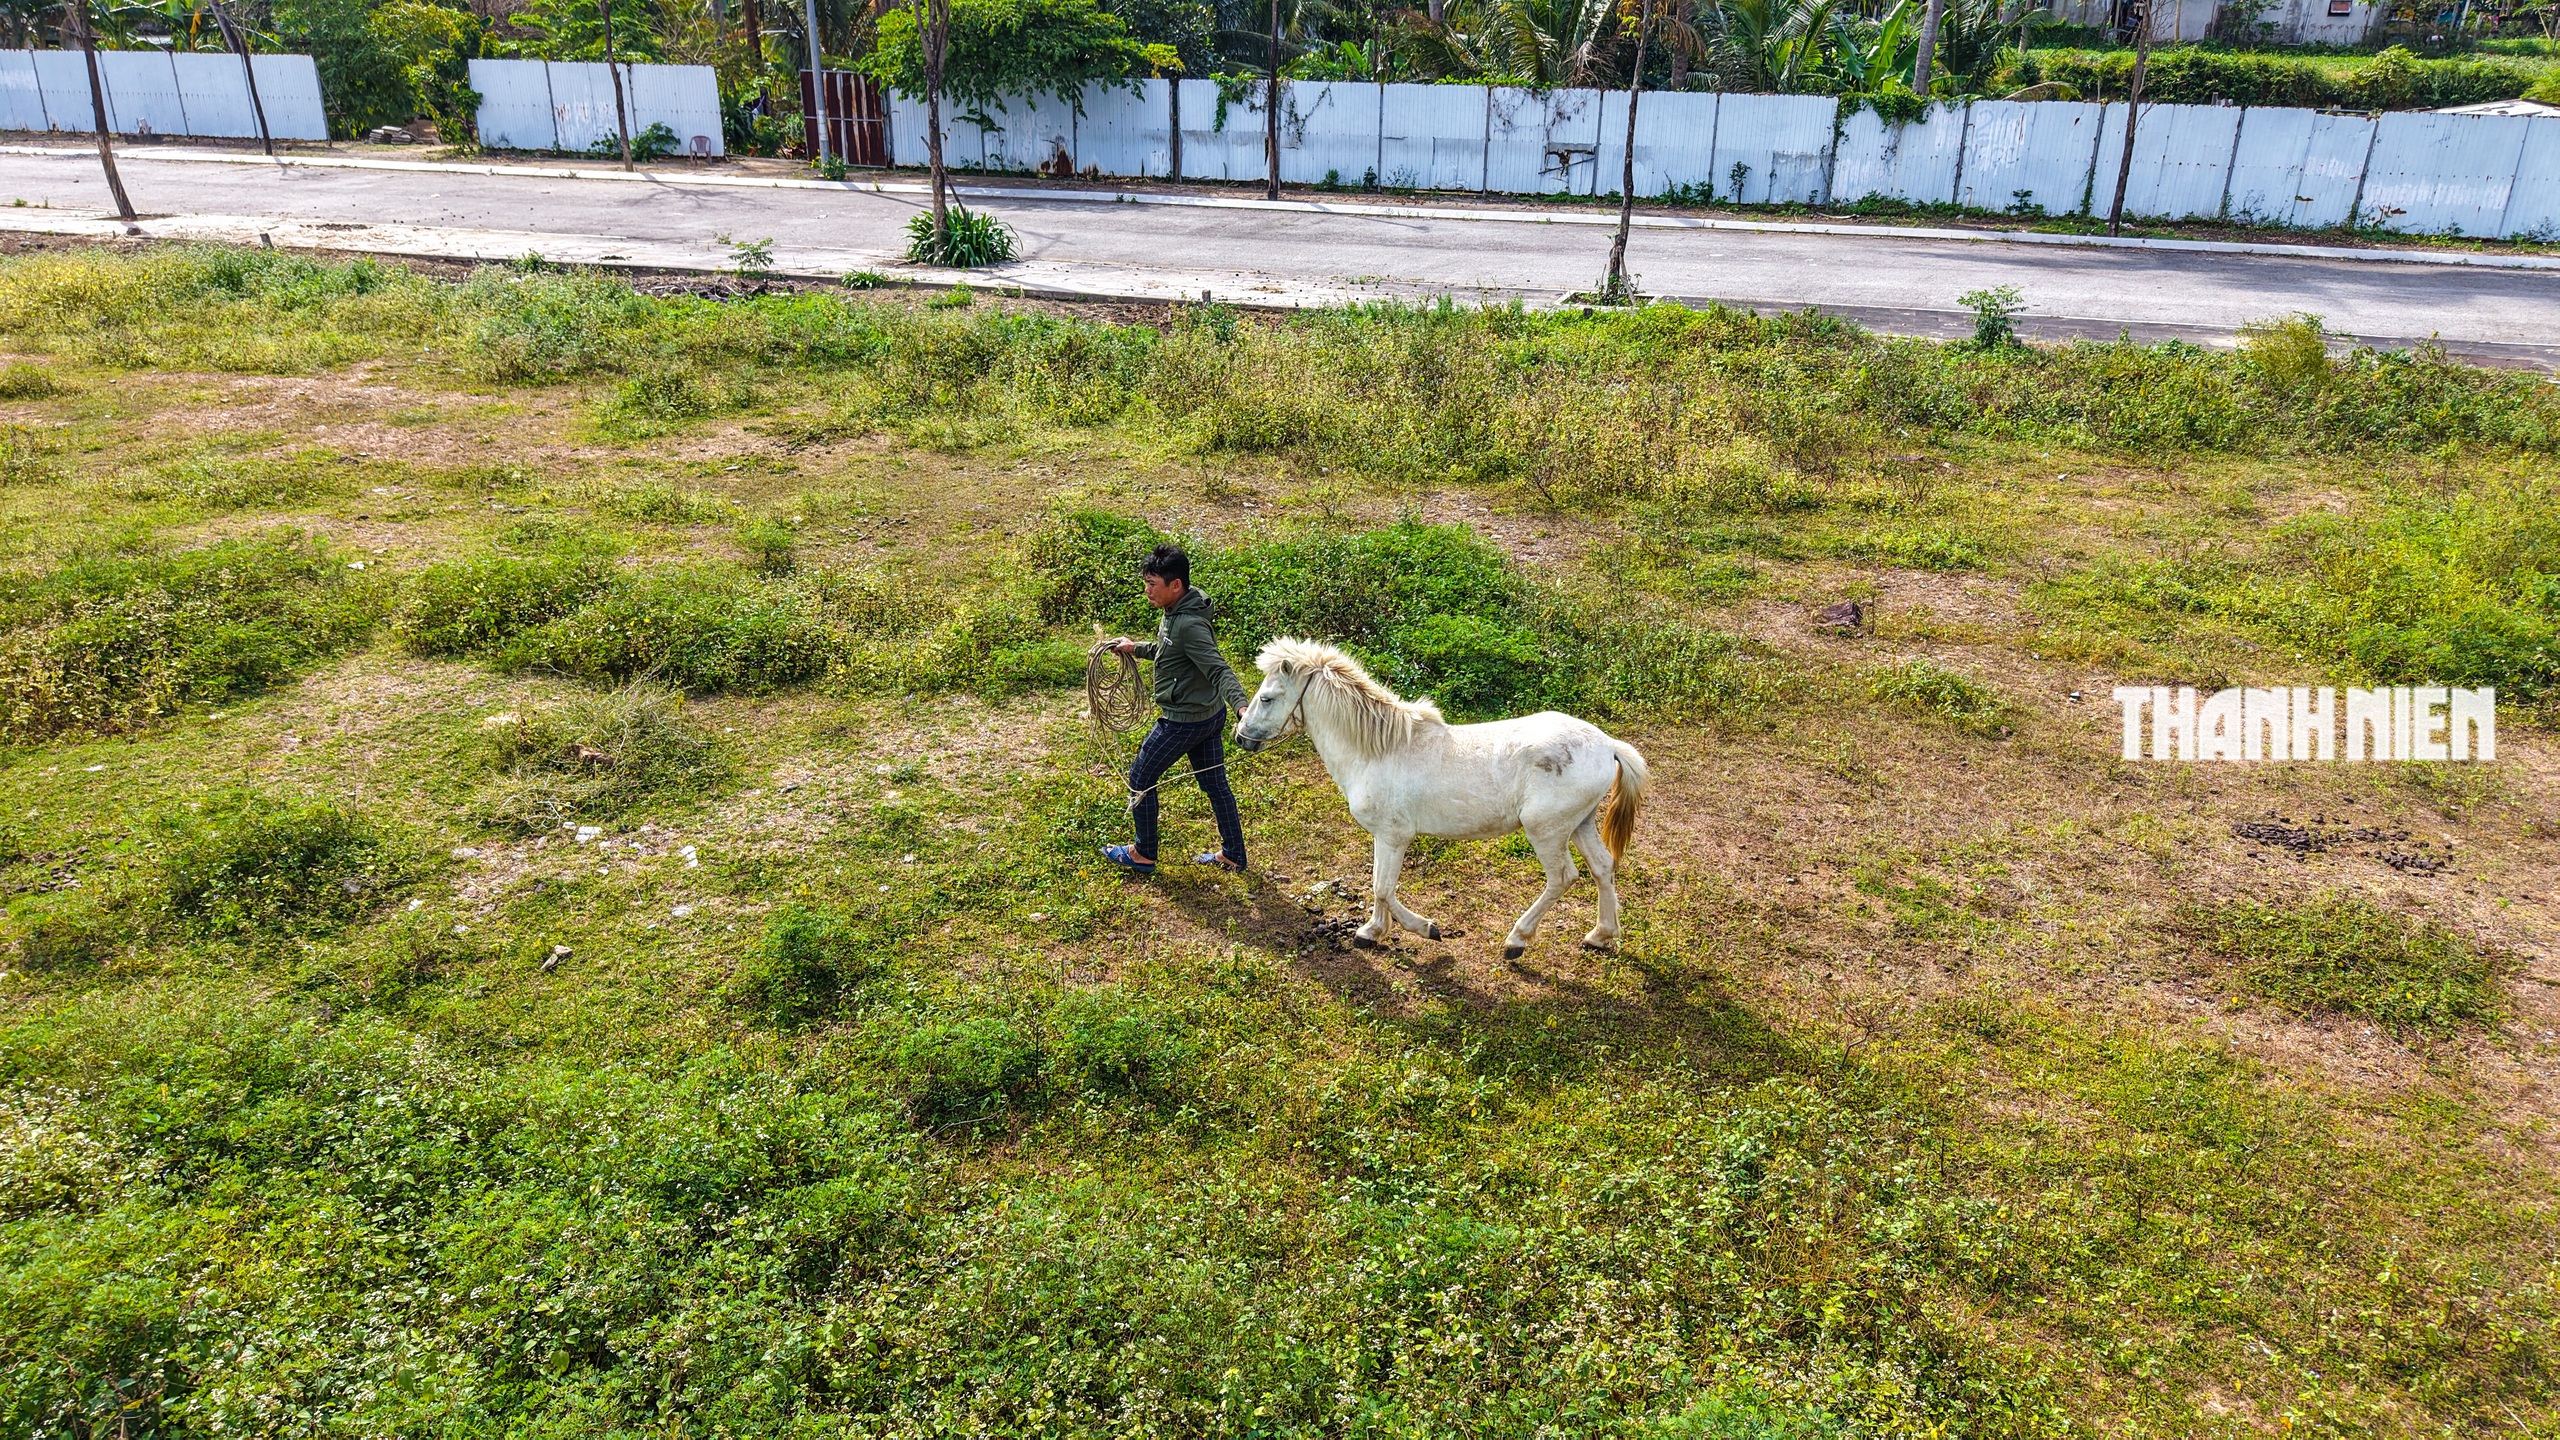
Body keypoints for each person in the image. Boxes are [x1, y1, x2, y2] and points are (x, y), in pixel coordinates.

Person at [1099, 544, 1251, 876]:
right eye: (1146, 582)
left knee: (1141, 776)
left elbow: (1218, 669)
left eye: (1153, 584)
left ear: (1176, 585)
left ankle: (1143, 853)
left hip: (1185, 722)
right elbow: (1171, 652)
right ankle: (1233, 855)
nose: (1147, 590)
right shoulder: (1178, 610)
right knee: (1215, 784)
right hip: (1207, 716)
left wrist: (1242, 706)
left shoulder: (1189, 625)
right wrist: (1135, 648)